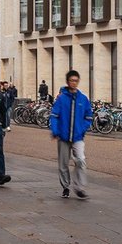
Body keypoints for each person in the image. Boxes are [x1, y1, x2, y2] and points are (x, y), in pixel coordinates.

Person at [50, 70, 93, 199]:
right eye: (72, 80)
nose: (74, 83)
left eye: (76, 80)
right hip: (63, 136)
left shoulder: (83, 98)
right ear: (68, 82)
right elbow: (54, 115)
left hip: (78, 136)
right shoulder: (61, 98)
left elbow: (89, 116)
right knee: (63, 164)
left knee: (81, 160)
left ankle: (79, 187)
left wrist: (82, 129)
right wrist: (55, 130)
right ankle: (66, 187)